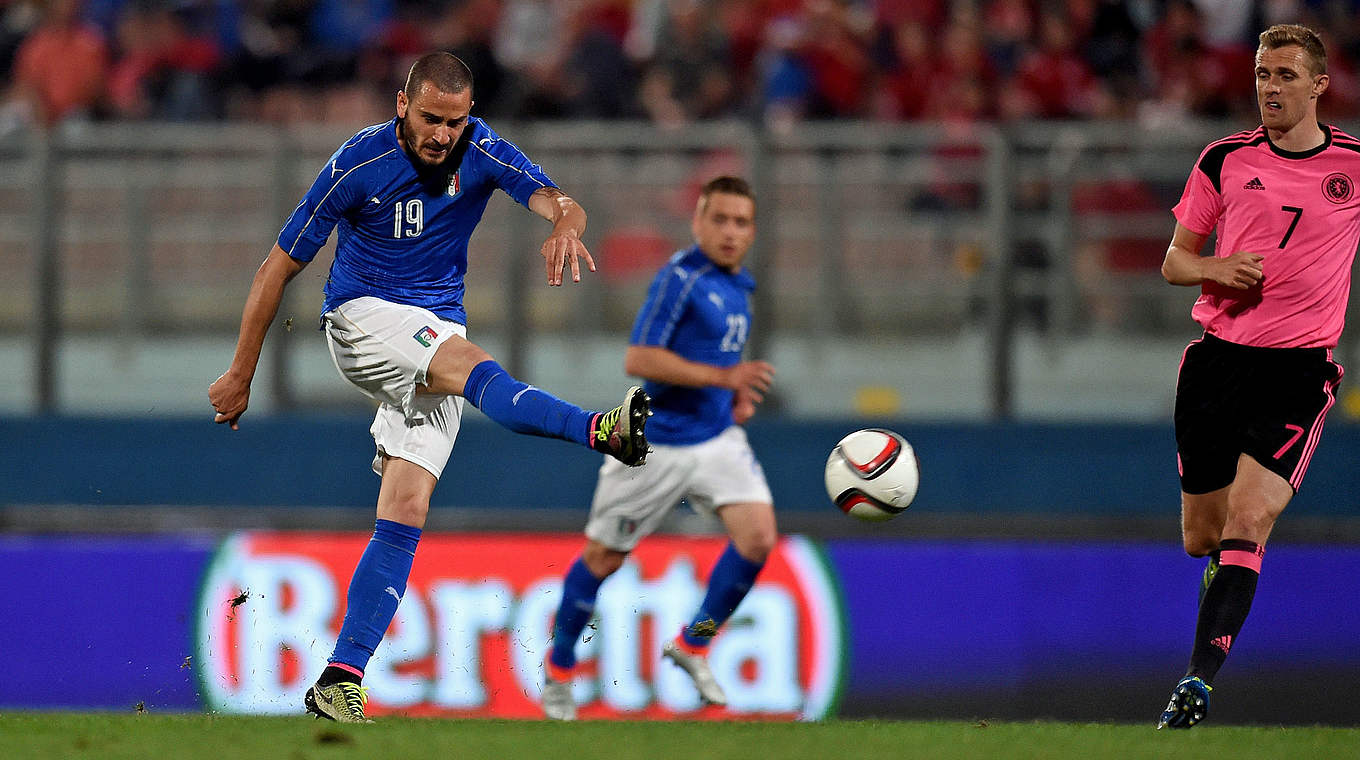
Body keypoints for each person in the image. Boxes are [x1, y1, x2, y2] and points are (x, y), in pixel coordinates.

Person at [208, 52, 651, 724]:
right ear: (401, 105)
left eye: (456, 120)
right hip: (360, 320)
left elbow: (558, 199)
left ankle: (341, 676)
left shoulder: (482, 147)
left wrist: (565, 223)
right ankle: (601, 430)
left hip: (433, 327)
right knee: (475, 367)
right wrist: (242, 372)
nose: (444, 134)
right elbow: (277, 269)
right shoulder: (358, 164)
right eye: (431, 118)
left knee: (406, 509)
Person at [1157, 24, 1354, 729]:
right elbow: (1175, 261)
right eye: (1264, 75)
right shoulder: (1224, 160)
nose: (1271, 88)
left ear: (1319, 85)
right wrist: (1216, 268)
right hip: (1217, 362)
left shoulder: (1355, 166)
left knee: (1250, 519)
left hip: (1298, 373)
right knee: (1202, 537)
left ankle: (1197, 681)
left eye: (1286, 76)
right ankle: (1226, 576)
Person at [539, 175, 777, 720]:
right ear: (698, 222)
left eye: (741, 222)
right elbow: (640, 360)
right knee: (603, 558)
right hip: (653, 443)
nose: (730, 231)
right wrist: (724, 379)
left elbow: (718, 365)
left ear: (752, 231)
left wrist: (732, 400)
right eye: (719, 219)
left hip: (716, 439)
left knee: (759, 539)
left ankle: (693, 645)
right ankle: (558, 668)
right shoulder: (680, 279)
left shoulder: (742, 286)